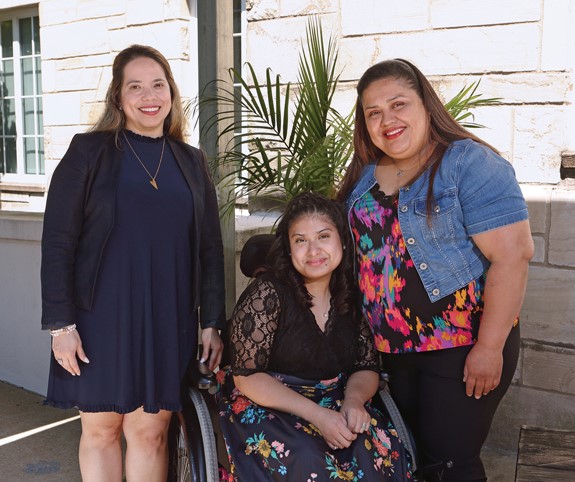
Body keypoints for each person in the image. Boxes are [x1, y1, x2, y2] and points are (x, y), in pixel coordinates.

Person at [336, 58, 534, 481]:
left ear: (426, 105)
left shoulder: (467, 163)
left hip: (461, 346)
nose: (387, 119)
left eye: (398, 104)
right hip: (391, 352)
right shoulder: (364, 176)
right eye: (374, 112)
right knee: (412, 460)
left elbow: (513, 255)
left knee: (449, 464)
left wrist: (489, 348)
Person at [40, 44, 225, 481]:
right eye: (135, 86)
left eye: (158, 84)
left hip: (168, 316)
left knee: (152, 431)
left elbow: (211, 248)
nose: (149, 95)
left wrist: (211, 321)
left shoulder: (192, 161)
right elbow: (58, 243)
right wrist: (60, 326)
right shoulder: (89, 152)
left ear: (171, 93)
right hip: (98, 318)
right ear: (118, 97)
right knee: (102, 429)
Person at [216, 192, 413, 481]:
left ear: (342, 241)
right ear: (289, 249)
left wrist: (354, 402)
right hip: (270, 402)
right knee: (308, 459)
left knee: (371, 449)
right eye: (301, 240)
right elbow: (247, 377)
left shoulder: (352, 294)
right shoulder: (267, 294)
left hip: (335, 400)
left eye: (323, 236)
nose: (313, 251)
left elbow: (365, 366)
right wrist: (318, 417)